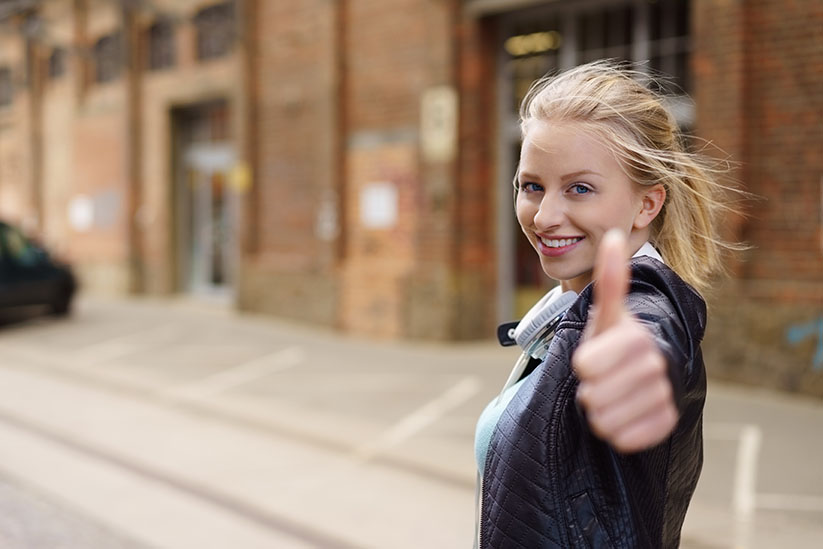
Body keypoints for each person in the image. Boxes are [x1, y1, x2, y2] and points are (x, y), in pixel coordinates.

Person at [474, 60, 739, 548]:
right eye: (532, 186)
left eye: (580, 188)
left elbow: (652, 333)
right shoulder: (566, 312)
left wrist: (641, 370)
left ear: (647, 204)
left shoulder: (646, 302)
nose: (545, 216)